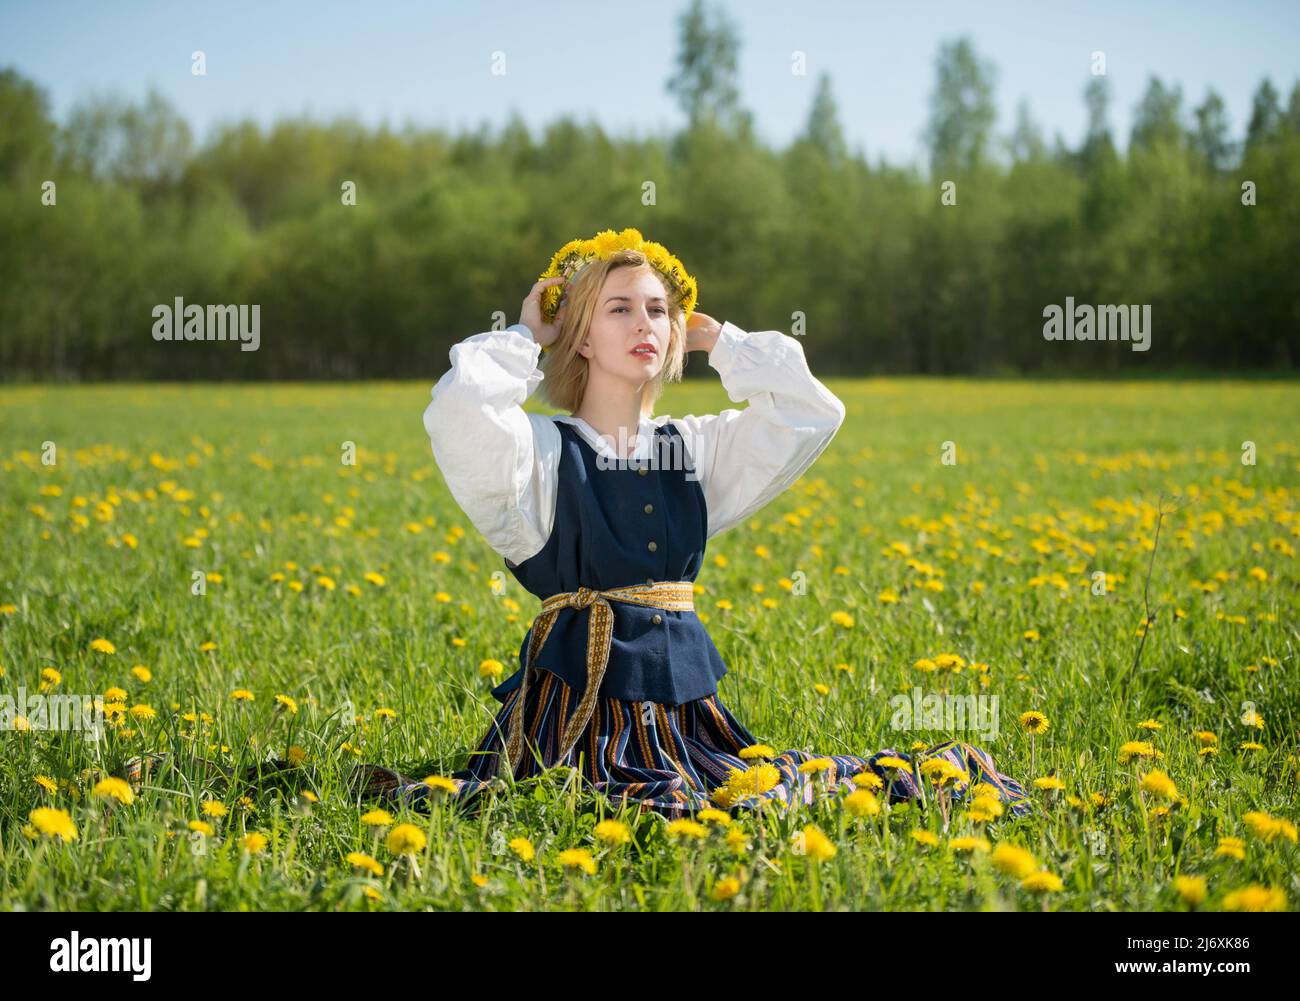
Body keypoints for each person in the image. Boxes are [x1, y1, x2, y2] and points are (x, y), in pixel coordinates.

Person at [351, 227, 1029, 820]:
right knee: (638, 799)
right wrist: (529, 334)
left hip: (683, 712)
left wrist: (719, 339)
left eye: (657, 309)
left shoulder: (691, 446)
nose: (645, 322)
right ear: (581, 334)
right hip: (575, 713)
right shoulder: (543, 454)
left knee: (739, 789)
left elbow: (810, 412)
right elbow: (459, 410)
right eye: (618, 309)